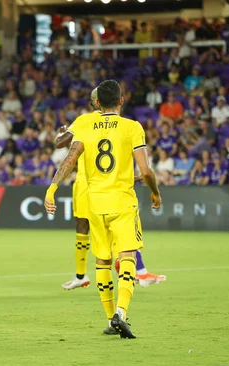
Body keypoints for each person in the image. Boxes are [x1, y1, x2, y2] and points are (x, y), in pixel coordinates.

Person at [45, 80, 162, 339]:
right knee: (127, 254)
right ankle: (121, 311)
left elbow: (69, 158)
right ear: (122, 100)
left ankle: (110, 318)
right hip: (122, 201)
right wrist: (155, 192)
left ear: (97, 103)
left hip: (95, 203)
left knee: (102, 260)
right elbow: (145, 170)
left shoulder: (85, 125)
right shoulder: (132, 127)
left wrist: (52, 188)